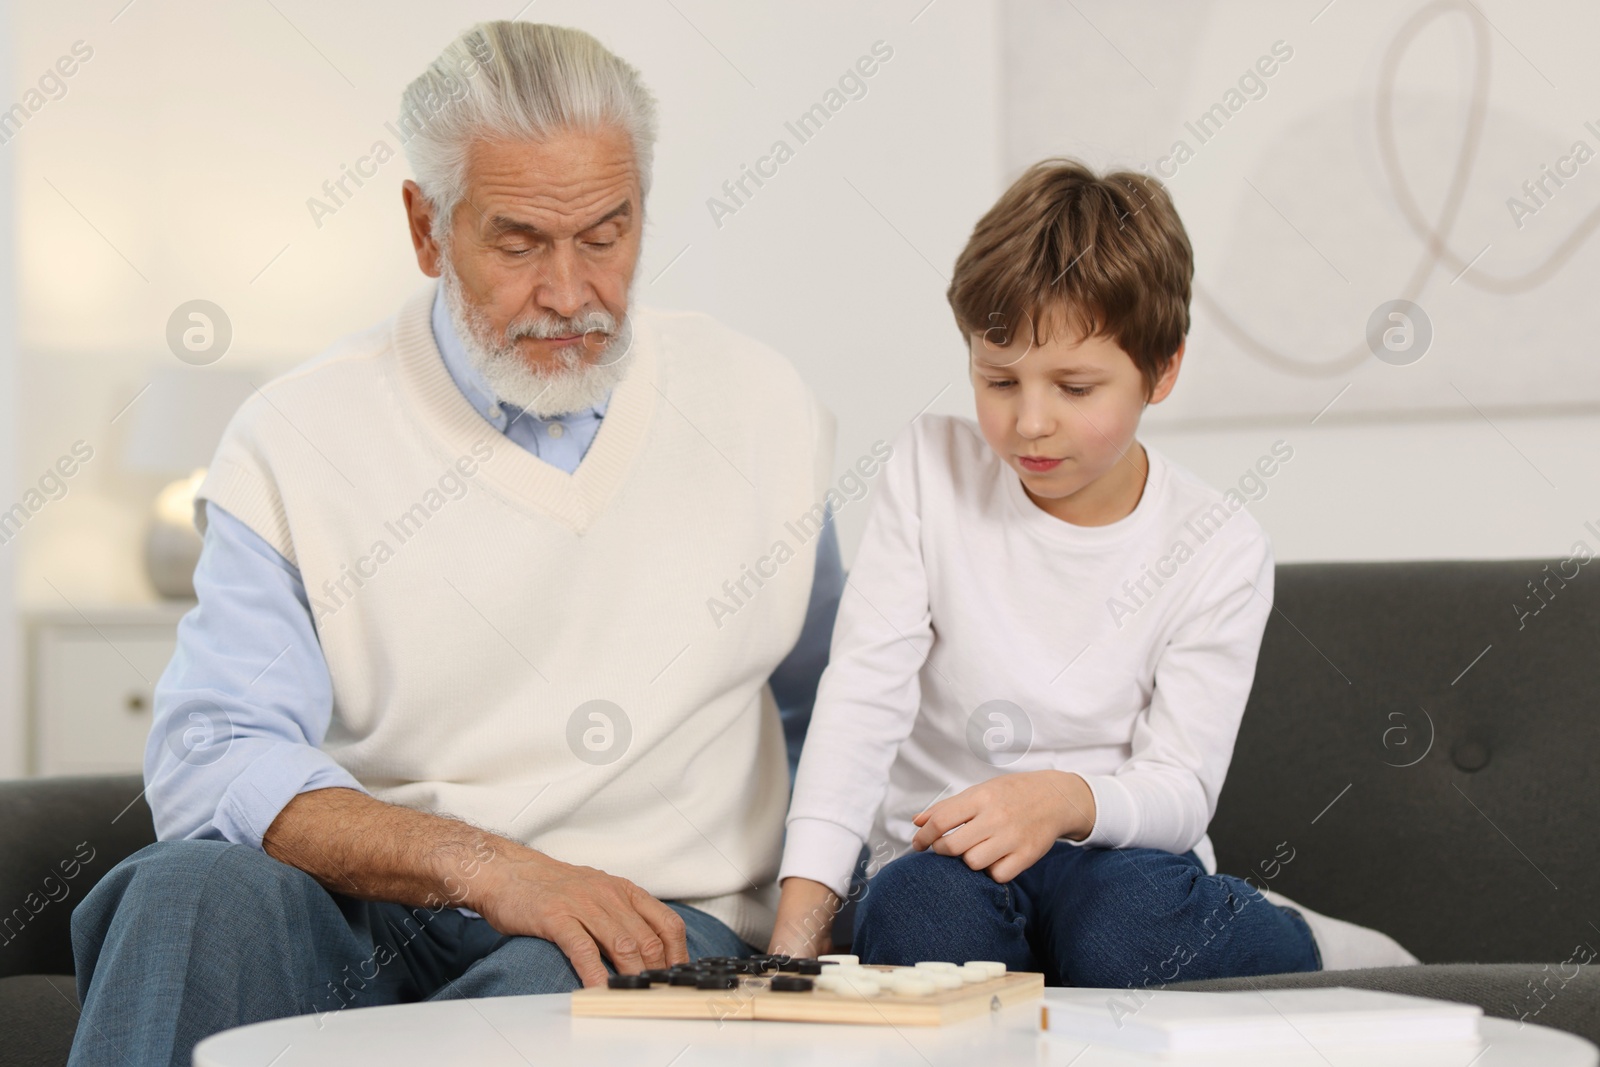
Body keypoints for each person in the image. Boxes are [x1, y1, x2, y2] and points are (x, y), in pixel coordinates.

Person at [69, 22, 843, 1067]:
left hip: (649, 915)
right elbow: (216, 755)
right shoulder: (294, 437)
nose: (571, 293)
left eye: (606, 235)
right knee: (185, 892)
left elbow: (840, 706)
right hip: (373, 902)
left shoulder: (760, 405)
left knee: (548, 988)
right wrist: (489, 867)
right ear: (426, 228)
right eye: (519, 242)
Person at [768, 159, 1416, 987]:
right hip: (946, 857)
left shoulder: (1219, 543)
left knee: (1124, 934)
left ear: (1163, 369)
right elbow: (862, 696)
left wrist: (1063, 798)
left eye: (1075, 386)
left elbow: (1181, 785)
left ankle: (1312, 943)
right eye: (998, 379)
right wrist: (797, 928)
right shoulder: (928, 469)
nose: (1029, 421)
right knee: (913, 919)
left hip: (1122, 856)